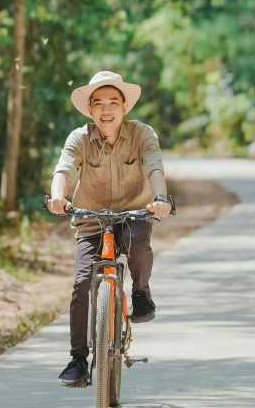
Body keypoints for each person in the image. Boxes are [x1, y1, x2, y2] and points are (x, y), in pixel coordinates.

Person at [47, 70, 172, 387]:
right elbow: (64, 168)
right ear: (90, 109)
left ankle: (141, 294)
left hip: (134, 215)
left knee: (138, 241)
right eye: (99, 103)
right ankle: (78, 359)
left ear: (124, 107)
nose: (106, 110)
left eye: (113, 102)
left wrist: (159, 198)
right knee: (80, 284)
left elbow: (154, 166)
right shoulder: (79, 138)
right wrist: (58, 196)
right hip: (91, 219)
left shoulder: (143, 135)